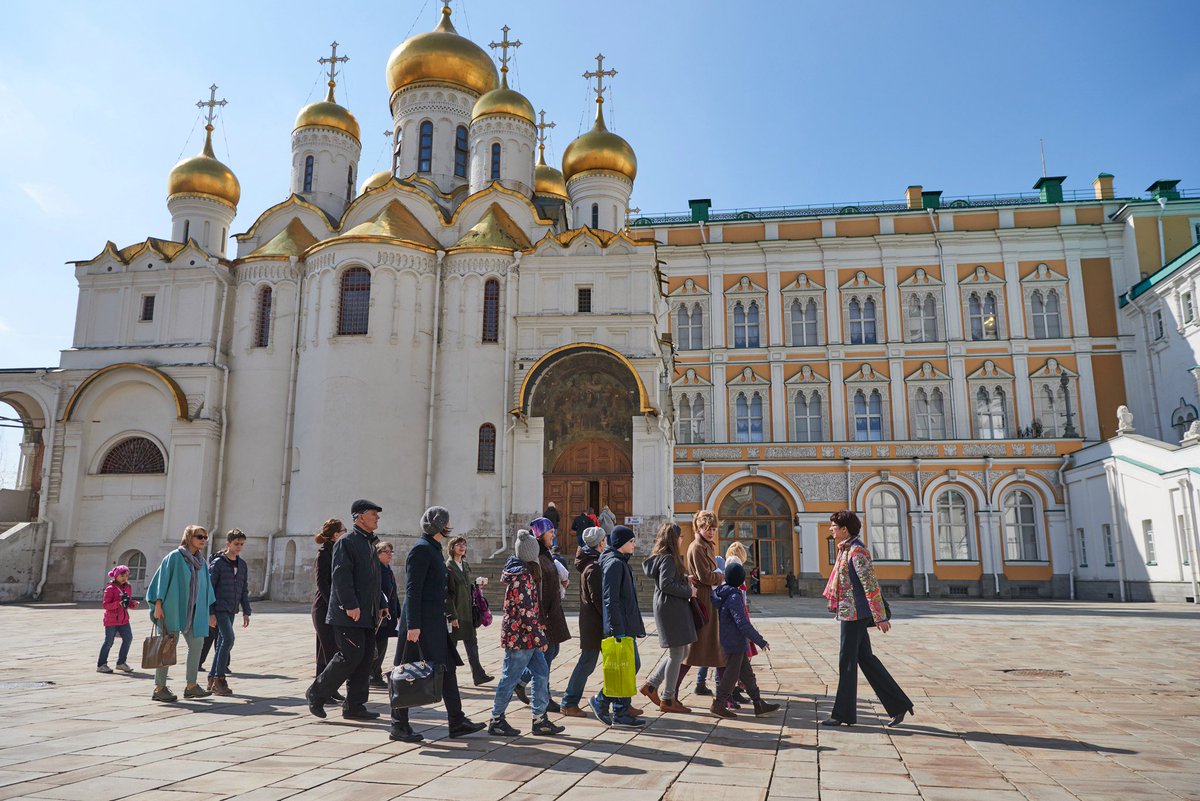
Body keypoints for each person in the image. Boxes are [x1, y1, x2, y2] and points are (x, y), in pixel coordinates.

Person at [390, 506, 486, 743]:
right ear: (440, 525)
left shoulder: (432, 549)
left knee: (448, 669)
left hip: (434, 623)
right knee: (405, 673)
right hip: (419, 626)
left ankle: (457, 721)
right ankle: (398, 726)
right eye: (446, 522)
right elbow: (413, 590)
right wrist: (412, 625)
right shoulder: (421, 551)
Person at [822, 510, 914, 728]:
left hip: (856, 614)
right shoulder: (846, 550)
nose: (831, 529)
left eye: (834, 526)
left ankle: (842, 714)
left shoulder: (857, 552)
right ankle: (899, 705)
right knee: (865, 659)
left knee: (847, 661)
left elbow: (870, 585)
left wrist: (880, 617)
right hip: (850, 612)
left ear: (845, 529)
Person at [306, 500, 383, 721]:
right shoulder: (347, 542)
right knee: (350, 656)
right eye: (373, 514)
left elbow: (373, 579)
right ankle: (316, 692)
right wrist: (350, 605)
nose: (377, 517)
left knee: (365, 658)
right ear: (359, 517)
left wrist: (381, 604)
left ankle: (355, 706)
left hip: (367, 613)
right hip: (349, 613)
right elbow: (340, 577)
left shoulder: (369, 543)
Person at [487, 530, 566, 737]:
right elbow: (526, 611)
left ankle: (539, 719)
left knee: (541, 673)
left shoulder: (526, 572)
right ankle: (496, 719)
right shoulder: (521, 577)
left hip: (528, 636)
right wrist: (540, 637)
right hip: (519, 637)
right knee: (509, 678)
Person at [145, 525, 217, 702]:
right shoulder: (175, 557)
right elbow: (162, 580)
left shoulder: (201, 562)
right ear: (189, 537)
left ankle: (191, 686)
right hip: (173, 609)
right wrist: (158, 605)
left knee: (197, 644)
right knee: (167, 647)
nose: (203, 540)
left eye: (205, 537)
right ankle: (159, 687)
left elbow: (207, 588)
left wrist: (210, 612)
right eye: (199, 536)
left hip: (195, 613)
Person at [639, 522, 697, 713]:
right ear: (674, 539)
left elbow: (668, 581)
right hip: (670, 608)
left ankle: (652, 685)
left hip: (670, 607)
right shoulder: (668, 559)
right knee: (676, 653)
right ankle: (668, 698)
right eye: (680, 537)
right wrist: (689, 590)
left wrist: (683, 579)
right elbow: (666, 584)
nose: (682, 539)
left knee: (682, 652)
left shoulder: (665, 558)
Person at [710, 561, 780, 719]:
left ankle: (758, 703)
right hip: (734, 642)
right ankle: (718, 704)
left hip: (734, 641)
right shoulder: (734, 596)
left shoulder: (723, 592)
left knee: (747, 675)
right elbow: (742, 623)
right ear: (741, 580)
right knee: (731, 676)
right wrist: (760, 640)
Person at [514, 516, 570, 711]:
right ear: (540, 535)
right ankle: (542, 699)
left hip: (552, 611)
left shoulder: (545, 553)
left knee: (553, 651)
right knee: (544, 656)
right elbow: (538, 588)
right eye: (550, 532)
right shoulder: (536, 555)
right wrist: (541, 619)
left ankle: (521, 681)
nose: (554, 535)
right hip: (544, 614)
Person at [592, 525, 646, 727]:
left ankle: (621, 710)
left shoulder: (620, 562)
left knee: (629, 665)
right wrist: (616, 628)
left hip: (625, 623)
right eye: (631, 541)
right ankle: (602, 701)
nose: (634, 544)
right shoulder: (614, 564)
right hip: (620, 626)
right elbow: (610, 598)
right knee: (629, 666)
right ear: (621, 543)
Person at [560, 526, 606, 716]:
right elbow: (598, 600)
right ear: (600, 543)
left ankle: (620, 701)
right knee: (587, 661)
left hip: (593, 622)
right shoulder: (593, 567)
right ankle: (569, 701)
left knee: (590, 662)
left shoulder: (592, 563)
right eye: (604, 540)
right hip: (594, 623)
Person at [680, 510, 725, 697]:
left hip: (710, 598)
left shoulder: (707, 545)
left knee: (709, 647)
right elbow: (705, 576)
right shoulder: (697, 547)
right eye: (707, 528)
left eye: (713, 529)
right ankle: (670, 692)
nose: (711, 532)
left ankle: (710, 687)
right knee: (696, 650)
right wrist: (721, 575)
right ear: (698, 527)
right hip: (704, 600)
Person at [207, 529, 252, 696]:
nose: (239, 547)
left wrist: (246, 610)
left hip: (232, 608)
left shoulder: (242, 565)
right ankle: (220, 678)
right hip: (219, 608)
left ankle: (212, 679)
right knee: (228, 639)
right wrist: (210, 612)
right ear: (228, 544)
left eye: (241, 544)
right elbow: (210, 589)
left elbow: (243, 589)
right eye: (236, 544)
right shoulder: (218, 563)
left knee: (221, 644)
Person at [446, 535, 493, 686]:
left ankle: (478, 675)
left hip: (468, 613)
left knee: (472, 644)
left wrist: (477, 585)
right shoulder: (448, 567)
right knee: (450, 648)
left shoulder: (465, 565)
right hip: (456, 614)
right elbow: (447, 593)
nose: (462, 547)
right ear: (452, 548)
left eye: (464, 544)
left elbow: (466, 587)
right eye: (458, 544)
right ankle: (446, 677)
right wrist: (451, 615)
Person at [311, 518, 346, 702]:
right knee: (330, 649)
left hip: (332, 606)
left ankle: (328, 688)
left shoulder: (337, 551)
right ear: (335, 534)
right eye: (343, 530)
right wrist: (333, 603)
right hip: (324, 607)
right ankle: (322, 690)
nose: (346, 533)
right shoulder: (324, 554)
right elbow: (322, 583)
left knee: (324, 651)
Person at [369, 541, 400, 688]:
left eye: (391, 552)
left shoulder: (387, 569)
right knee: (377, 644)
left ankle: (375, 673)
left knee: (382, 644)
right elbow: (377, 592)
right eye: (386, 552)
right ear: (378, 554)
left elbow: (393, 592)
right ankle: (372, 674)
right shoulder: (376, 569)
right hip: (380, 614)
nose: (390, 555)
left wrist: (399, 612)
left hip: (388, 613)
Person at [97, 565, 138, 674]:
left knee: (128, 638)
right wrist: (118, 604)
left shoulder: (128, 587)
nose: (124, 578)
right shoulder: (110, 588)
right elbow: (106, 605)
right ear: (116, 576)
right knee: (109, 642)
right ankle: (101, 664)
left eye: (126, 575)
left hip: (124, 619)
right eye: (122, 575)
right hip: (111, 620)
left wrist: (133, 604)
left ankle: (121, 663)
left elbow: (127, 601)